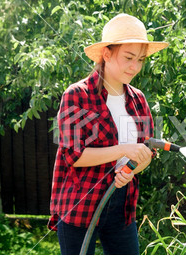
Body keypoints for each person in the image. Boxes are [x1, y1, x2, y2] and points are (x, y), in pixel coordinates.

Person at [47, 13, 169, 255]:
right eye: (128, 57)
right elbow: (74, 155)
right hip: (79, 206)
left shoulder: (138, 100)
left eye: (141, 60)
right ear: (106, 54)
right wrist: (124, 151)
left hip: (121, 207)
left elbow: (146, 153)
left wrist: (132, 169)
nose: (135, 67)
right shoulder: (77, 95)